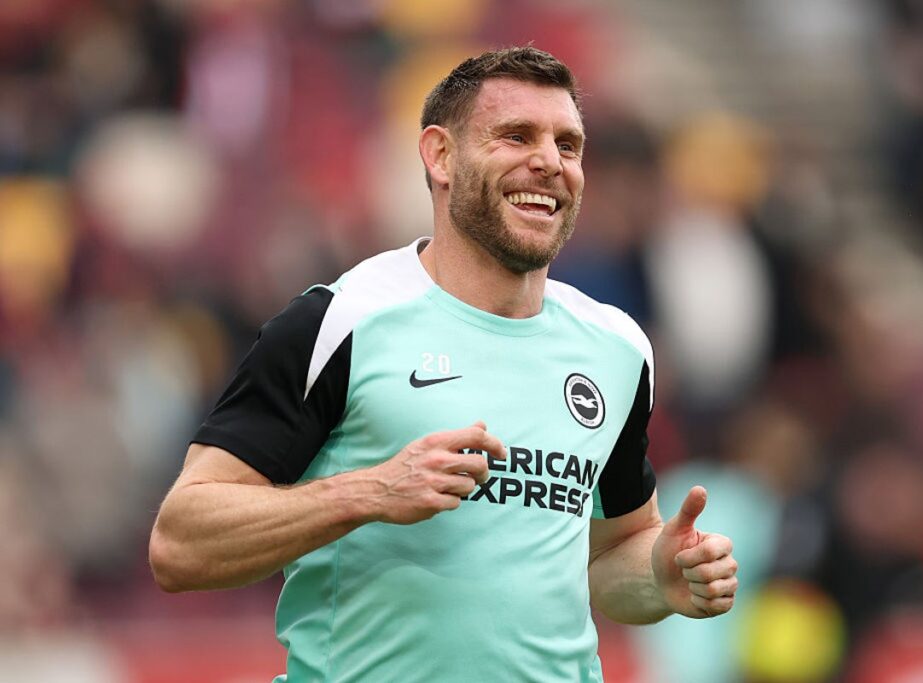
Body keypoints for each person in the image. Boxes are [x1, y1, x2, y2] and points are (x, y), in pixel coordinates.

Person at [149, 46, 739, 682]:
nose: (549, 162)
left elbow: (610, 553)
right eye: (517, 136)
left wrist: (659, 572)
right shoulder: (341, 322)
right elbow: (180, 544)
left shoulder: (617, 348)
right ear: (440, 156)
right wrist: (370, 491)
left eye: (568, 146)